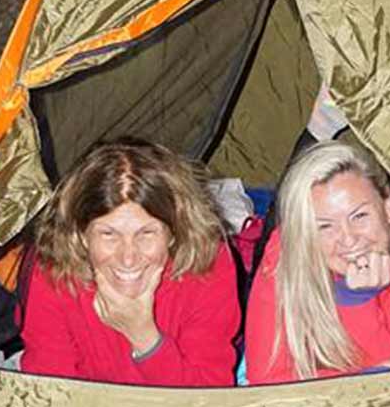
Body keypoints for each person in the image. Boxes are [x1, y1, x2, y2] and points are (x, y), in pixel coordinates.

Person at [18, 140, 240, 385]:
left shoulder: (209, 267)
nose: (128, 258)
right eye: (108, 234)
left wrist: (145, 338)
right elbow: (48, 395)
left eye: (146, 233)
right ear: (81, 235)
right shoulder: (54, 273)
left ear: (174, 232)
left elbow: (208, 400)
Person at [244, 140, 390, 383]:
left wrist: (358, 302)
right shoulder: (285, 253)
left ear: (388, 209)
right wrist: (371, 373)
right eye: (325, 226)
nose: (348, 239)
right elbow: (266, 382)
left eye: (359, 216)